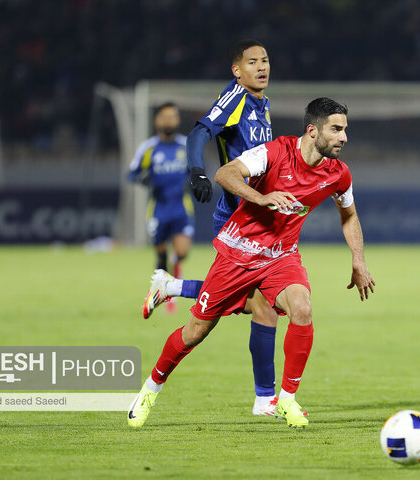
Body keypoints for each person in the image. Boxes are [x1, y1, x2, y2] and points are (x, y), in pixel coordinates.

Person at [128, 97, 375, 429]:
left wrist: (358, 260)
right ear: (313, 131)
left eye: (345, 130)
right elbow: (225, 173)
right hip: (238, 252)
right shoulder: (274, 153)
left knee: (301, 308)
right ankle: (150, 389)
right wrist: (262, 197)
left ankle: (284, 399)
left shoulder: (338, 175)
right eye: (337, 129)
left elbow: (349, 215)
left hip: (281, 256)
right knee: (195, 331)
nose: (344, 137)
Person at [142, 39, 285, 416]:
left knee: (254, 304)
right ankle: (263, 398)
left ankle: (170, 287)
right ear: (236, 70)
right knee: (247, 309)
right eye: (252, 62)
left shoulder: (262, 104)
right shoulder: (236, 96)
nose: (261, 66)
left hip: (259, 218)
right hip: (239, 217)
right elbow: (200, 133)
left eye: (265, 60)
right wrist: (197, 171)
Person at [127, 102, 194, 299]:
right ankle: (162, 289)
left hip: (182, 207)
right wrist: (143, 179)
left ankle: (172, 270)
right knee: (161, 252)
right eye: (164, 116)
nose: (168, 120)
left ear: (178, 120)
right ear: (157, 120)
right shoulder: (149, 148)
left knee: (182, 251)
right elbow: (132, 173)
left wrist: (194, 181)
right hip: (158, 208)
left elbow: (198, 169)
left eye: (172, 116)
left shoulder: (186, 145)